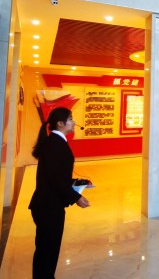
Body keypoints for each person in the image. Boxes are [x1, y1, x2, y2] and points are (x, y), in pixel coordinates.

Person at [29, 107, 90, 279]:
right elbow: (55, 179)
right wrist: (76, 197)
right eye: (70, 119)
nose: (74, 122)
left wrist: (76, 182)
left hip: (48, 205)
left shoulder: (54, 142)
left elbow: (56, 175)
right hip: (48, 207)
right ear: (60, 123)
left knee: (47, 250)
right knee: (47, 251)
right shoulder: (55, 145)